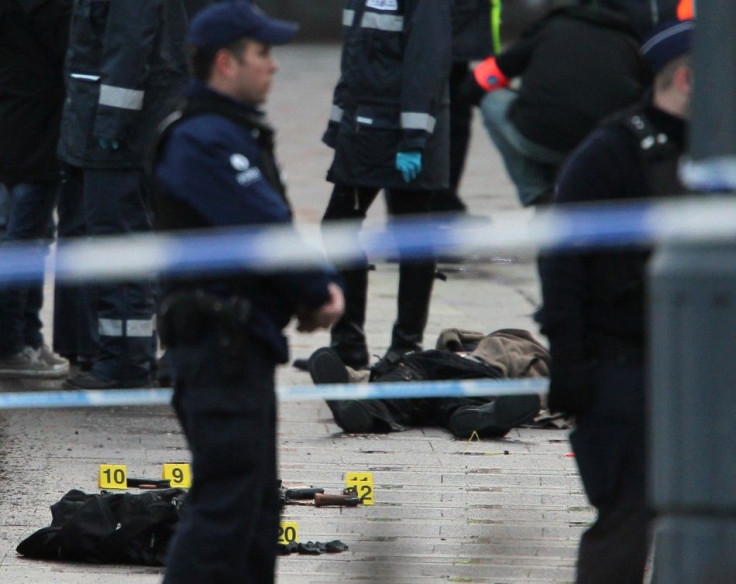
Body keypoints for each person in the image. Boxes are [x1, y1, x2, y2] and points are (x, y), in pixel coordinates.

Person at [152, 3, 345, 582]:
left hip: (243, 344)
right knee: (224, 509)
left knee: (257, 510)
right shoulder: (204, 138)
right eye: (262, 54)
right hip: (218, 347)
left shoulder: (225, 131)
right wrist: (318, 291)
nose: (272, 67)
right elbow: (263, 226)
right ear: (224, 62)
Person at [536, 19, 695, 584]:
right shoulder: (610, 154)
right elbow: (563, 268)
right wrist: (572, 363)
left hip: (701, 370)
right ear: (687, 78)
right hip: (625, 370)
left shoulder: (715, 154)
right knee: (628, 517)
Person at [56, 0, 189, 389]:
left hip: (117, 139)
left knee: (118, 243)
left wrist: (110, 129)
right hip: (107, 132)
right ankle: (129, 355)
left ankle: (125, 362)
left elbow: (129, 48)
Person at [321, 0, 453, 370]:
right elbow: (355, 56)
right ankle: (349, 343)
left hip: (404, 134)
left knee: (410, 232)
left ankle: (405, 347)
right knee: (338, 226)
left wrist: (413, 138)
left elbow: (427, 61)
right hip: (365, 129)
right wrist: (339, 121)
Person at [464, 3, 649, 207]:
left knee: (493, 100)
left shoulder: (552, 27)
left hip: (540, 140)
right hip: (602, 146)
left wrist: (467, 92)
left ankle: (537, 194)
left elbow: (485, 78)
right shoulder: (632, 41)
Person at [0, 0, 71, 378]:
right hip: (38, 134)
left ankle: (27, 338)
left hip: (14, 126)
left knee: (24, 236)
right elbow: (69, 58)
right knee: (26, 240)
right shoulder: (51, 9)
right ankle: (12, 345)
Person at [308, 328, 548, 438]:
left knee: (402, 385)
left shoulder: (508, 344)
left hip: (442, 367)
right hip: (470, 375)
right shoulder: (529, 355)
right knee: (461, 400)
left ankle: (368, 412)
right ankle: (479, 415)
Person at [431, 0, 494, 215]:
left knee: (453, 117)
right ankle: (434, 202)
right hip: (447, 27)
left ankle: (442, 199)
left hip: (455, 29)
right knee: (447, 119)